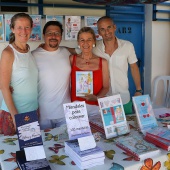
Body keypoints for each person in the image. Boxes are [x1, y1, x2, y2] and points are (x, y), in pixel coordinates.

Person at [69, 16, 142, 115]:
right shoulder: (93, 46)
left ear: (114, 27)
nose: (106, 32)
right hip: (103, 99)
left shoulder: (127, 46)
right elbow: (76, 50)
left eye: (109, 27)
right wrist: (54, 47)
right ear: (99, 32)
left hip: (123, 97)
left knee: (127, 127)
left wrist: (138, 89)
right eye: (102, 29)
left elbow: (134, 67)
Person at [0, 13, 38, 135]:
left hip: (31, 112)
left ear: (31, 28)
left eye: (27, 27)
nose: (24, 31)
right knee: (13, 153)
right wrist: (15, 116)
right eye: (19, 27)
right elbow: (4, 87)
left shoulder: (28, 51)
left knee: (32, 152)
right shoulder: (8, 53)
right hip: (15, 114)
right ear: (12, 29)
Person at [32, 21, 71, 130]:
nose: (53, 36)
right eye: (50, 33)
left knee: (66, 145)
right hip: (43, 115)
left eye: (57, 33)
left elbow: (85, 51)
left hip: (65, 113)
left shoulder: (67, 52)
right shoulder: (33, 56)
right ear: (44, 35)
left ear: (61, 36)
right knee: (44, 145)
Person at [70, 27, 109, 115]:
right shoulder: (72, 59)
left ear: (94, 41)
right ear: (78, 42)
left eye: (89, 40)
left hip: (95, 107)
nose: (85, 43)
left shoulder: (103, 62)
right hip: (75, 106)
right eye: (82, 40)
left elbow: (106, 86)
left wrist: (96, 98)